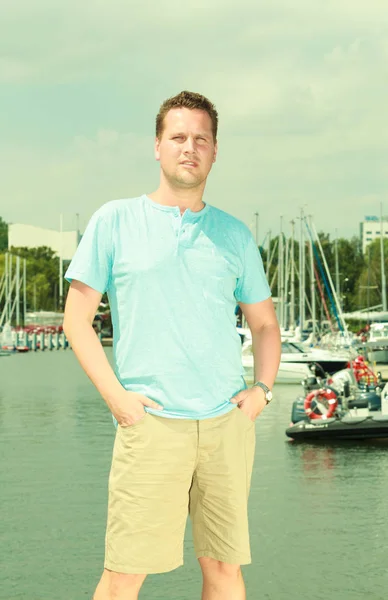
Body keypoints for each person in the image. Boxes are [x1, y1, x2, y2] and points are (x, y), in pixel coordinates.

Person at [63, 90, 281, 600]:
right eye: (178, 137)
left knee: (224, 570)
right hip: (151, 424)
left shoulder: (234, 235)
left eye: (201, 139)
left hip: (226, 425)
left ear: (215, 151)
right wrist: (117, 399)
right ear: (157, 147)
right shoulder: (114, 221)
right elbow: (76, 321)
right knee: (123, 575)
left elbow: (266, 326)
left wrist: (263, 391)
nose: (190, 147)